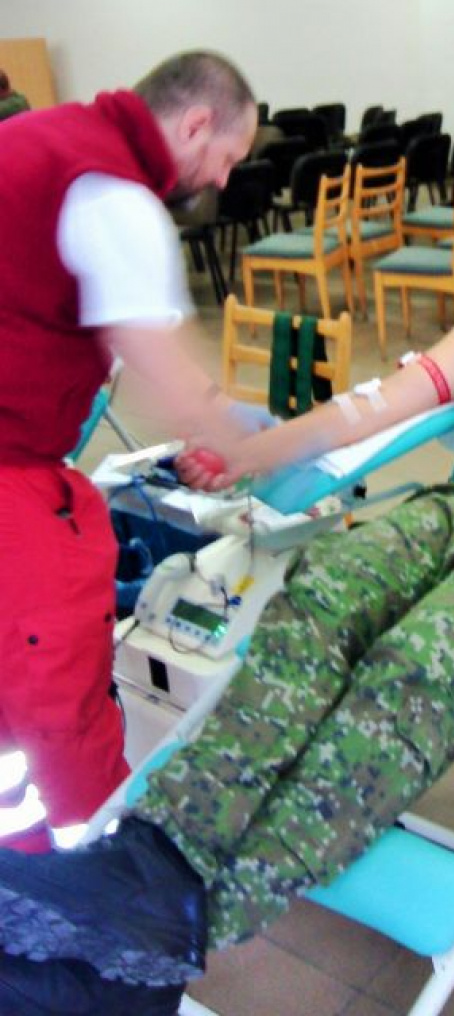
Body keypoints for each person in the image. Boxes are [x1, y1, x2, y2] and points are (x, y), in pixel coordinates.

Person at [0, 149, 454, 1015]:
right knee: (318, 595)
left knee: (422, 657)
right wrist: (256, 450)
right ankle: (149, 859)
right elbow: (382, 404)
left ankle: (180, 921)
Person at [0, 50, 259, 857]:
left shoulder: (41, 137)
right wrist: (250, 438)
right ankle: (84, 869)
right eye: (227, 158)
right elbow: (160, 371)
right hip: (9, 470)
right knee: (54, 684)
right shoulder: (113, 194)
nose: (222, 181)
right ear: (195, 124)